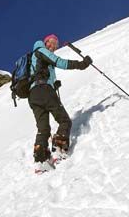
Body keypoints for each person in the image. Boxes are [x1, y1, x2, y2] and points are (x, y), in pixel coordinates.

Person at [28, 34, 92, 173]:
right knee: (64, 120)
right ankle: (58, 149)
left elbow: (39, 73)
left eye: (56, 45)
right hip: (44, 91)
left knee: (43, 129)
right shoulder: (41, 50)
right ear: (45, 42)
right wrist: (81, 65)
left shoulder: (36, 57)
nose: (53, 46)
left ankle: (40, 161)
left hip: (33, 95)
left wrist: (53, 84)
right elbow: (59, 62)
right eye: (51, 43)